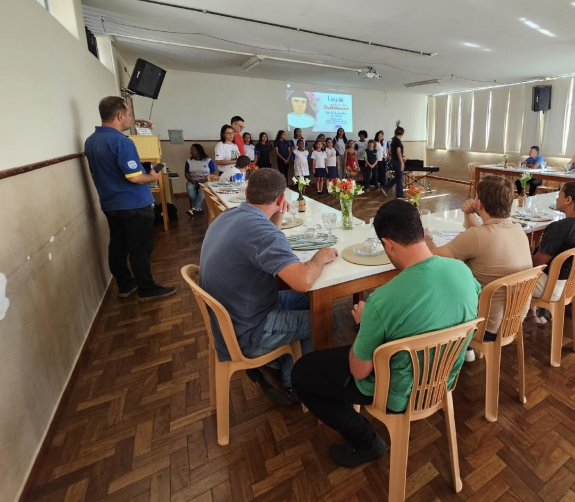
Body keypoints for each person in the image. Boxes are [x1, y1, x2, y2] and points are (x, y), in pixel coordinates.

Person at [291, 200, 480, 468]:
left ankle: (366, 441)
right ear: (420, 230)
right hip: (443, 377)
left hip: (397, 391)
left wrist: (364, 324)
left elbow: (359, 371)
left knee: (302, 373)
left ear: (388, 244)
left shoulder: (382, 301)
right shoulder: (463, 271)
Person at [200, 169, 339, 405]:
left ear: (246, 192)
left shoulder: (229, 215)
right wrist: (320, 258)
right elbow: (303, 282)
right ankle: (292, 381)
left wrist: (278, 215)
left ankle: (273, 363)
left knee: (311, 301)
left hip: (233, 313)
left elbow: (265, 237)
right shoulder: (262, 233)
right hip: (250, 328)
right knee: (327, 319)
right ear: (281, 198)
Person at [84, 96, 176, 302]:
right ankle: (147, 289)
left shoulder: (91, 141)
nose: (130, 118)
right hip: (134, 204)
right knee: (140, 248)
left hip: (110, 204)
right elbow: (135, 177)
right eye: (128, 114)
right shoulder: (121, 141)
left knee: (118, 245)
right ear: (119, 116)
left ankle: (125, 284)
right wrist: (153, 177)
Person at [424, 176, 532, 342]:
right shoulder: (517, 228)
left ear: (479, 204)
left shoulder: (477, 237)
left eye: (475, 198)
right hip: (514, 320)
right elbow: (480, 234)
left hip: (483, 326)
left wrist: (426, 238)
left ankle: (460, 347)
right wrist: (468, 213)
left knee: (437, 292)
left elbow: (431, 255)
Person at [527, 182, 575, 324]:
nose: (557, 199)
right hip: (572, 284)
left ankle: (511, 321)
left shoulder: (559, 227)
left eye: (559, 195)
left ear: (568, 200)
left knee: (510, 269)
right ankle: (530, 314)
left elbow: (537, 262)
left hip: (551, 288)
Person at [184, 143, 216, 217]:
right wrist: (191, 179)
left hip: (206, 180)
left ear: (198, 151)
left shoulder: (208, 161)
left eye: (193, 150)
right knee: (189, 187)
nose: (191, 151)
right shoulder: (189, 161)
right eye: (191, 150)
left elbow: (213, 173)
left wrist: (204, 179)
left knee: (203, 188)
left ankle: (196, 208)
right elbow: (186, 173)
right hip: (193, 180)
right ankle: (197, 208)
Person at [382, 126, 406, 198]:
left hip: (395, 160)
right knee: (399, 177)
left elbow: (393, 152)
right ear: (401, 133)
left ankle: (399, 193)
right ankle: (387, 188)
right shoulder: (397, 141)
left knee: (398, 177)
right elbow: (398, 152)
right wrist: (402, 162)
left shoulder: (394, 140)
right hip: (397, 161)